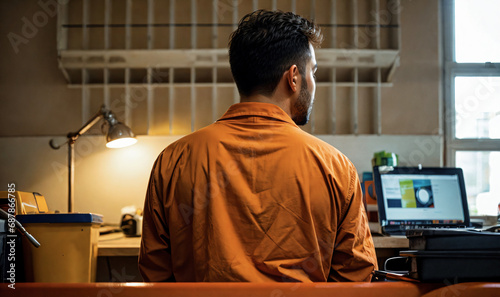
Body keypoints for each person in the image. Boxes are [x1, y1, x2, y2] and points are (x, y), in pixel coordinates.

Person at [139, 9, 377, 282]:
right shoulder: (335, 168)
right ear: (294, 77)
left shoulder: (173, 160)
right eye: (314, 72)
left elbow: (155, 276)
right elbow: (356, 278)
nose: (314, 83)